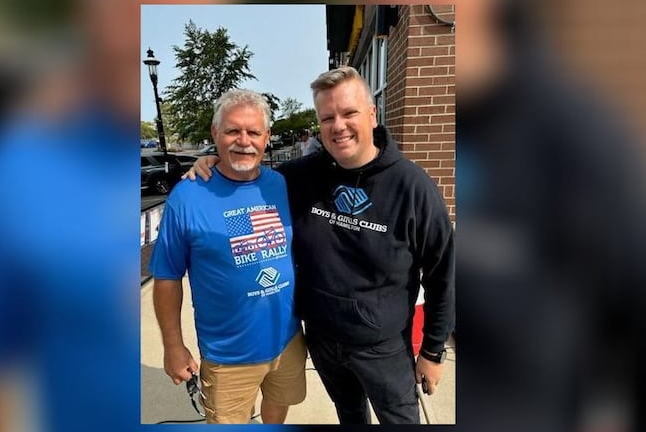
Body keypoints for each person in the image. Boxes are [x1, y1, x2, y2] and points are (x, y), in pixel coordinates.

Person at [188, 66, 455, 424]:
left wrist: (434, 352)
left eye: (349, 113)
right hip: (322, 340)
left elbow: (443, 276)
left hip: (383, 348)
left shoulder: (413, 187)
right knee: (349, 415)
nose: (338, 125)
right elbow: (246, 174)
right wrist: (212, 163)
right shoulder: (300, 177)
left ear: (372, 113)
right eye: (327, 117)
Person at [148, 88, 307, 424]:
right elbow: (166, 277)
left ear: (266, 138)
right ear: (215, 134)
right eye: (233, 130)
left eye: (253, 132)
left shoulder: (281, 183)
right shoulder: (187, 197)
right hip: (228, 355)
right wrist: (173, 346)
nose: (243, 141)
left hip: (288, 340)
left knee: (278, 409)